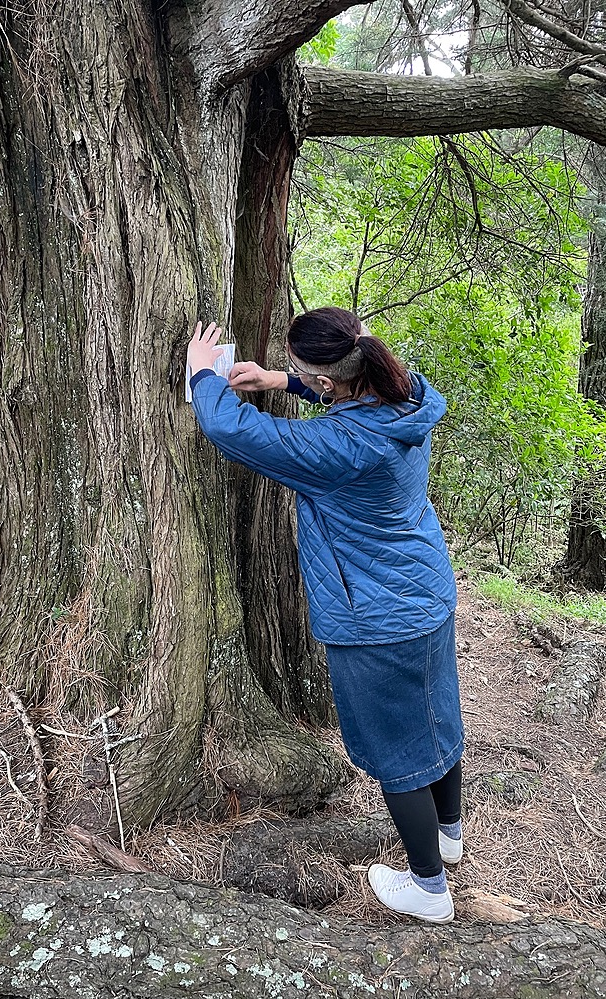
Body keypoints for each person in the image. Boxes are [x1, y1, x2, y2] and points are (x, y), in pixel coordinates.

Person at [186, 307, 464, 924]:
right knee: (434, 719)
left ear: (335, 384)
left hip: (375, 615)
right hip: (423, 590)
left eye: (304, 370)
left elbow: (238, 435)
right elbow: (342, 390)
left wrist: (206, 377)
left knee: (396, 749)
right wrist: (283, 383)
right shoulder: (404, 393)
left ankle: (429, 888)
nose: (297, 374)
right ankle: (447, 835)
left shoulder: (339, 449)